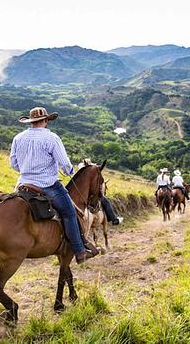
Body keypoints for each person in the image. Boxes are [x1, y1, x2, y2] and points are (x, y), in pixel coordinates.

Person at [10, 107, 96, 264]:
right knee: (69, 213)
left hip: (23, 184)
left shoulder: (18, 138)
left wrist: (27, 170)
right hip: (48, 185)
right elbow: (65, 164)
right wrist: (69, 170)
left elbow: (14, 165)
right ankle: (80, 251)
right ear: (46, 121)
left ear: (31, 122)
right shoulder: (52, 138)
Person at [77, 160, 123, 225]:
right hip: (87, 194)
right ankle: (114, 219)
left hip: (77, 192)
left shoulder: (80, 168)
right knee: (105, 201)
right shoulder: (90, 171)